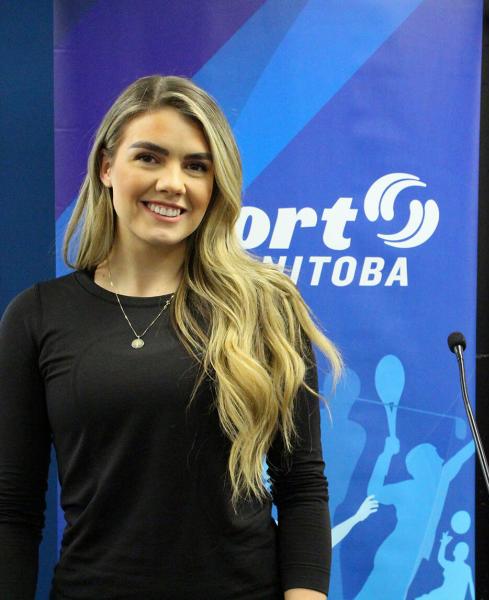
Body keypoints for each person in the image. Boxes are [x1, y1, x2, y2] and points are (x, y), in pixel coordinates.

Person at [0, 75, 341, 599]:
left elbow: (301, 487)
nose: (173, 183)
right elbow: (13, 507)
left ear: (216, 184)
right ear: (106, 167)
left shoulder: (264, 308)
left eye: (196, 166)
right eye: (150, 158)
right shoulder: (38, 316)